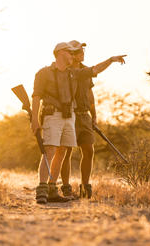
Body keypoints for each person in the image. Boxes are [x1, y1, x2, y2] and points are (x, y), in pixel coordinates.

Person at [60, 40, 126, 199]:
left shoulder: (85, 71)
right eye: (79, 52)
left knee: (88, 149)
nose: (82, 53)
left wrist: (94, 115)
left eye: (83, 51)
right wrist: (111, 60)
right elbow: (97, 69)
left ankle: (85, 186)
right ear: (72, 55)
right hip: (69, 114)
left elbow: (90, 95)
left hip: (84, 115)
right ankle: (66, 186)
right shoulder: (65, 72)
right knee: (66, 151)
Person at [31, 42, 80, 204]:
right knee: (49, 150)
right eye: (70, 53)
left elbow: (93, 70)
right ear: (60, 53)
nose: (73, 56)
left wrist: (111, 60)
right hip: (52, 115)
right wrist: (34, 119)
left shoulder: (73, 73)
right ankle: (42, 189)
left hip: (69, 116)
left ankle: (52, 190)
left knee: (63, 151)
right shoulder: (44, 73)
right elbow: (36, 96)